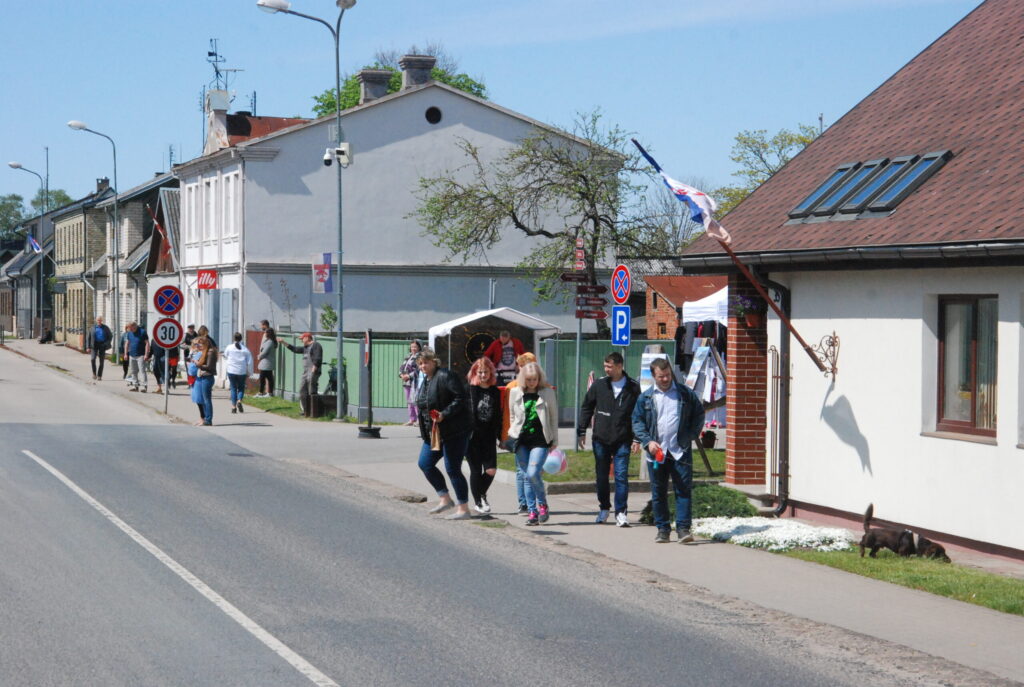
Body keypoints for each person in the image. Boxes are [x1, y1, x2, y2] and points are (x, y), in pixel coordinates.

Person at [631, 357, 705, 544]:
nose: (665, 379)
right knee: (658, 492)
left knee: (683, 490)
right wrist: (648, 442)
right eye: (661, 376)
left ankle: (683, 529)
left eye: (667, 375)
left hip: (680, 450)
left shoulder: (684, 394)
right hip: (657, 453)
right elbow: (637, 422)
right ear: (653, 376)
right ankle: (663, 529)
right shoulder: (646, 397)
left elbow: (698, 415)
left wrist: (689, 436)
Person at [578, 351, 642, 527]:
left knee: (621, 476)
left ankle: (621, 512)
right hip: (601, 438)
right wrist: (581, 430)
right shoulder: (599, 385)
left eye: (610, 366)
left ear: (620, 366)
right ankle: (604, 508)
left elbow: (639, 414)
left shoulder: (633, 387)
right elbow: (586, 407)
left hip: (623, 438)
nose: (606, 369)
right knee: (602, 476)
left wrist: (637, 438)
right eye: (605, 366)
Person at [415, 347, 473, 520]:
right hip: (434, 433)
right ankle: (445, 499)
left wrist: (444, 414)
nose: (423, 366)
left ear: (434, 362)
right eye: (420, 364)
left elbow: (460, 398)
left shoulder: (445, 376)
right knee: (425, 463)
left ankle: (464, 509)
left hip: (454, 431)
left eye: (426, 362)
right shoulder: (426, 380)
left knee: (452, 469)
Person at [507, 361, 558, 526]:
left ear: (539, 378)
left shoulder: (547, 393)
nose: (531, 382)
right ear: (523, 379)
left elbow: (553, 417)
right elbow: (512, 416)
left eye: (534, 379)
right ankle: (532, 512)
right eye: (528, 379)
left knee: (532, 472)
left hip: (540, 440)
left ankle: (542, 504)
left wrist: (554, 440)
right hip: (521, 440)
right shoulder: (515, 392)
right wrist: (513, 433)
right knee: (526, 475)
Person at [466, 356, 502, 514]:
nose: (482, 375)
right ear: (475, 372)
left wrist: (500, 436)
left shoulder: (495, 391)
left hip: (489, 435)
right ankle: (479, 502)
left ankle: (481, 495)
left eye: (485, 372)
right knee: (475, 470)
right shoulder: (470, 389)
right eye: (480, 372)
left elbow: (498, 415)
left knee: (491, 470)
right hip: (472, 436)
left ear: (491, 373)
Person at [504, 351, 537, 515]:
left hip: (535, 435)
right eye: (522, 365)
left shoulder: (539, 385)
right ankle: (524, 503)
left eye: (529, 365)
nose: (525, 369)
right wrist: (509, 434)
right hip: (519, 435)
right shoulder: (512, 387)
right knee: (521, 470)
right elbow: (508, 414)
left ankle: (530, 503)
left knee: (531, 470)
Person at [284, 332, 323, 417]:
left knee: (311, 391)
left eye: (302, 339)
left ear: (308, 338)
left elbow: (318, 357)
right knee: (302, 391)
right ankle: (306, 410)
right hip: (305, 372)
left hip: (313, 371)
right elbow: (295, 349)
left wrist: (314, 368)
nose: (301, 340)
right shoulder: (305, 348)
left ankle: (314, 412)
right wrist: (284, 342)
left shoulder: (316, 345)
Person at [223, 332, 254, 414]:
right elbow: (250, 362)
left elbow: (225, 355)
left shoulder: (229, 347)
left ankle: (233, 407)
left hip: (231, 370)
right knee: (241, 388)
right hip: (241, 371)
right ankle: (239, 401)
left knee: (233, 388)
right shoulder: (245, 349)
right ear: (241, 339)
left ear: (234, 338)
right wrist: (250, 372)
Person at [194, 335, 218, 426]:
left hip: (208, 377)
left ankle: (208, 419)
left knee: (207, 399)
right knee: (203, 399)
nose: (199, 346)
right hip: (203, 376)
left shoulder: (210, 352)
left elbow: (209, 366)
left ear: (206, 344)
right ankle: (205, 418)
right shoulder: (204, 352)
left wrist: (198, 364)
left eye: (201, 344)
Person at [399, 339, 422, 425]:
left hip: (414, 382)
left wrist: (409, 376)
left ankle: (419, 420)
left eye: (415, 347)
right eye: (412, 346)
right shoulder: (408, 356)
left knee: (415, 400)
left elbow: (419, 369)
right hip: (406, 382)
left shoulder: (420, 356)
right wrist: (401, 375)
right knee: (409, 401)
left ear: (419, 347)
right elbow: (402, 367)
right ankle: (412, 419)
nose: (413, 348)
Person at [123, 321, 151, 393]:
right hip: (132, 354)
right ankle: (135, 386)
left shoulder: (142, 332)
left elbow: (147, 343)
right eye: (129, 329)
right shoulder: (129, 333)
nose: (130, 330)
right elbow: (127, 343)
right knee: (133, 371)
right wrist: (125, 354)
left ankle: (144, 386)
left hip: (141, 355)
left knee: (142, 371)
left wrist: (146, 354)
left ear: (134, 326)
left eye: (131, 329)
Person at [85, 316, 113, 380]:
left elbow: (110, 336)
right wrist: (88, 347)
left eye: (100, 320)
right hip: (94, 345)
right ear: (96, 321)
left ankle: (99, 375)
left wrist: (106, 343)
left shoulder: (105, 328)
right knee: (93, 359)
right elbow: (88, 338)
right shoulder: (92, 328)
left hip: (102, 345)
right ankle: (94, 373)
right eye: (98, 320)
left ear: (102, 321)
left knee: (101, 361)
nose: (99, 321)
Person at [256, 327, 278, 397]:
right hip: (267, 363)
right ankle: (269, 393)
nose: (264, 333)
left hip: (266, 363)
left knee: (263, 378)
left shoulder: (270, 342)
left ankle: (261, 392)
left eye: (265, 332)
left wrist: (259, 356)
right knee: (269, 378)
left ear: (268, 334)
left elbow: (265, 352)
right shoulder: (269, 341)